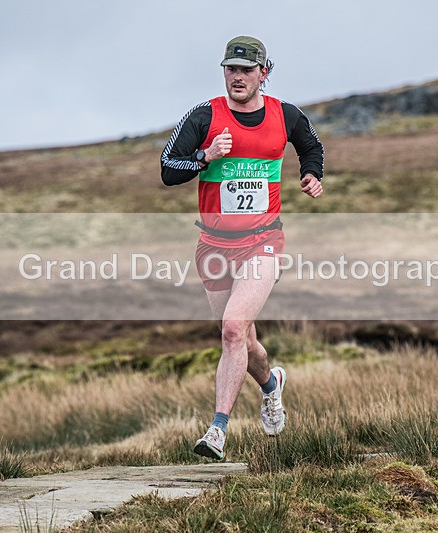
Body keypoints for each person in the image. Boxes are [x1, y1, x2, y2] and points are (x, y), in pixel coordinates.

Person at [160, 36, 324, 460]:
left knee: (233, 329)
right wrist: (204, 155)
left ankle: (217, 430)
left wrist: (311, 174)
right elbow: (167, 168)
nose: (237, 77)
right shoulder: (203, 116)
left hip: (263, 242)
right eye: (230, 69)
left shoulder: (284, 115)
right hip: (214, 248)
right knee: (243, 338)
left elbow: (311, 145)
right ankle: (272, 385)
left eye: (246, 70)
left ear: (263, 73)